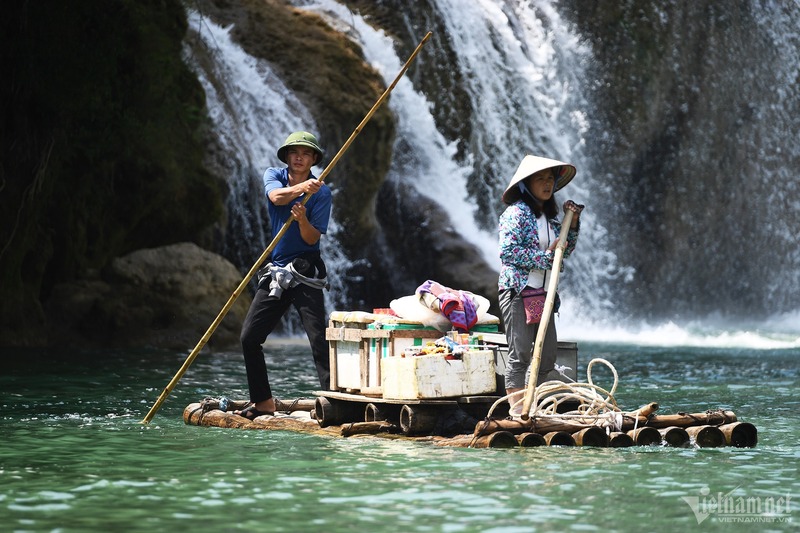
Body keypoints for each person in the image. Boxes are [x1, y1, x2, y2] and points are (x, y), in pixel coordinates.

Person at [235, 131, 333, 420]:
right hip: (277, 272)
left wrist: (302, 218)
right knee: (249, 338)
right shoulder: (274, 176)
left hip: (305, 270)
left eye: (305, 153)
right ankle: (263, 401)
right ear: (287, 156)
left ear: (314, 159)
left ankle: (334, 399)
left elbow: (312, 237)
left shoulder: (322, 193)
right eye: (294, 152)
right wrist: (303, 188)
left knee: (319, 341)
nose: (299, 156)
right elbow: (276, 197)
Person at [498, 155, 584, 400]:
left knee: (546, 358)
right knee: (521, 355)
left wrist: (574, 223)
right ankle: (518, 412)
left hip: (543, 294)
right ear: (526, 184)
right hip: (518, 291)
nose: (547, 184)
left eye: (550, 179)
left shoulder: (549, 218)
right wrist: (545, 258)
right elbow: (507, 251)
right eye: (540, 179)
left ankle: (530, 403)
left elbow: (564, 250)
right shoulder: (516, 213)